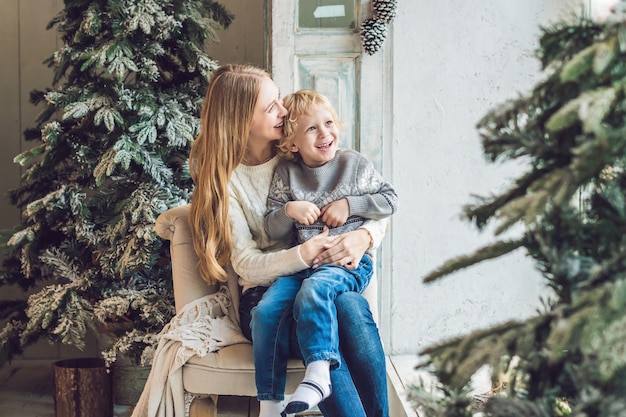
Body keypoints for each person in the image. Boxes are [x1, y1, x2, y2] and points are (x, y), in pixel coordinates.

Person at [188, 64, 390, 417]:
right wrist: (304, 253)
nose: (283, 111)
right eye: (271, 108)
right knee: (335, 311)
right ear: (241, 120)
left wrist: (363, 236)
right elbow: (246, 263)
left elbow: (369, 201)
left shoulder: (301, 146)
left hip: (320, 280)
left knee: (349, 306)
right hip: (267, 296)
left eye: (278, 99)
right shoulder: (227, 181)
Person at [251, 89, 398, 416]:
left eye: (329, 122)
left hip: (345, 266)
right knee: (265, 311)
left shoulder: (354, 164)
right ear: (292, 144)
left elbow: (390, 200)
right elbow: (271, 229)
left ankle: (318, 371)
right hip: (303, 268)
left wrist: (351, 204)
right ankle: (270, 403)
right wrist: (288, 210)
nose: (325, 133)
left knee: (314, 292)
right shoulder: (286, 174)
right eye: (311, 129)